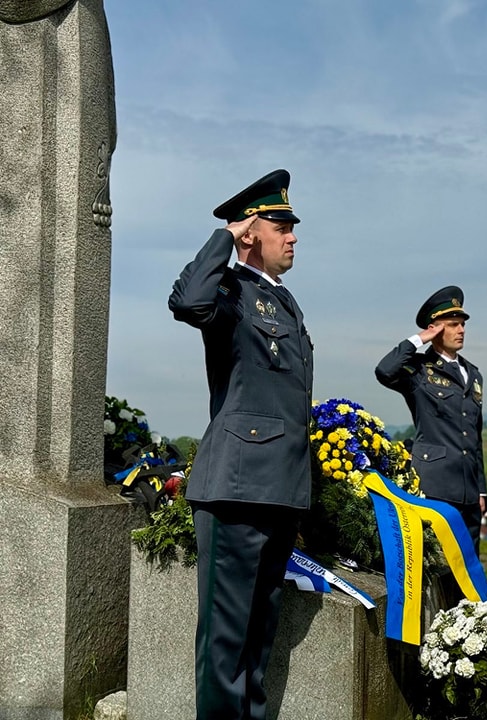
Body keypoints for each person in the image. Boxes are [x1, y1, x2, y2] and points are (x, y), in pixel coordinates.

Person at [169, 169, 314, 720]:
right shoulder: (228, 290)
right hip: (234, 488)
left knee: (258, 642)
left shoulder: (286, 303)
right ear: (254, 232)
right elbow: (187, 302)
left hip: (278, 488)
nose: (294, 235)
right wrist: (227, 237)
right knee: (226, 644)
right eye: (282, 225)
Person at [375, 286, 487, 554]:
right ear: (435, 329)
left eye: (462, 324)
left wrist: (481, 490)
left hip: (468, 490)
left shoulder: (473, 374)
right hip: (435, 485)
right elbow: (384, 371)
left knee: (469, 564)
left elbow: (475, 436)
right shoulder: (418, 370)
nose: (461, 330)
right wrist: (420, 338)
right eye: (452, 325)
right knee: (435, 561)